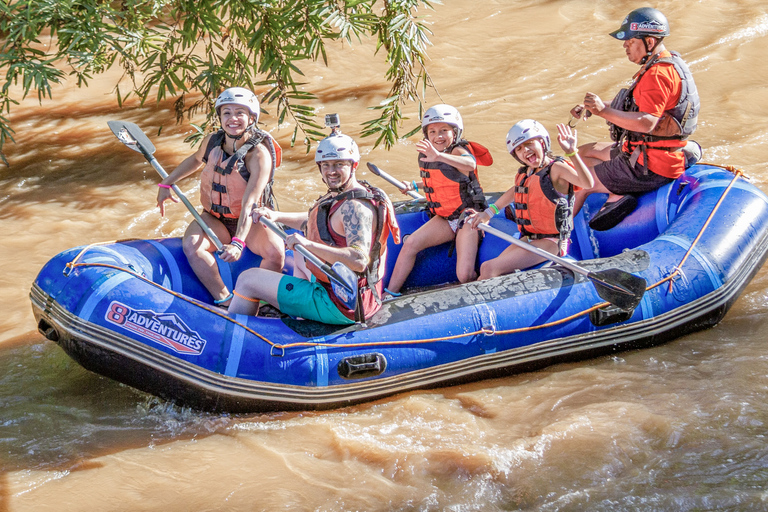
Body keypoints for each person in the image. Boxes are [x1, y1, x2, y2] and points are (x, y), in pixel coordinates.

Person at [229, 130, 400, 325]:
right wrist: (275, 215)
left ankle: (233, 336)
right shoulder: (346, 194)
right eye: (325, 165)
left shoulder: (355, 208)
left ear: (354, 165)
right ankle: (302, 318)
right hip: (352, 296)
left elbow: (359, 260)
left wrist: (308, 244)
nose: (331, 171)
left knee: (247, 280)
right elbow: (314, 222)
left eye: (339, 164)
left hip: (343, 305)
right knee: (301, 255)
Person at [570, 7, 700, 231]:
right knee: (585, 152)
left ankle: (554, 236)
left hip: (650, 166)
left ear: (649, 41)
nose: (625, 45)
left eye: (630, 40)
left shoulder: (658, 75)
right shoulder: (666, 63)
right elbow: (640, 107)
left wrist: (603, 111)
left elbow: (646, 122)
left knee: (576, 180)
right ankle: (616, 191)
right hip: (642, 153)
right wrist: (594, 107)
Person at [156, 87, 285, 308]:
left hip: (251, 219)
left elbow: (250, 202)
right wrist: (166, 182)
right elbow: (196, 160)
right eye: (227, 113)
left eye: (240, 113)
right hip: (215, 218)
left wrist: (238, 242)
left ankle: (262, 304)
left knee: (275, 253)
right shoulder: (212, 141)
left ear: (252, 117)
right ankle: (226, 300)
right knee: (192, 247)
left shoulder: (259, 155)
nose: (233, 119)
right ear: (220, 116)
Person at [384, 104, 492, 297]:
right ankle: (391, 293)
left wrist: (439, 155)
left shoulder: (458, 151)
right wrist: (414, 186)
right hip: (445, 218)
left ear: (455, 132)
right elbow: (440, 180)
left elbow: (470, 164)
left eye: (444, 130)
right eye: (432, 131)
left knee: (464, 275)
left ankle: (482, 291)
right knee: (410, 244)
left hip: (468, 217)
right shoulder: (431, 154)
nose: (438, 136)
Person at [466, 120, 594, 279]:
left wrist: (572, 152)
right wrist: (489, 212)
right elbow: (516, 191)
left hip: (551, 243)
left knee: (489, 267)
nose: (525, 150)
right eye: (519, 149)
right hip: (528, 238)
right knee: (488, 268)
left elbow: (587, 183)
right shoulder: (526, 173)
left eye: (529, 143)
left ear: (542, 142)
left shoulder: (556, 169)